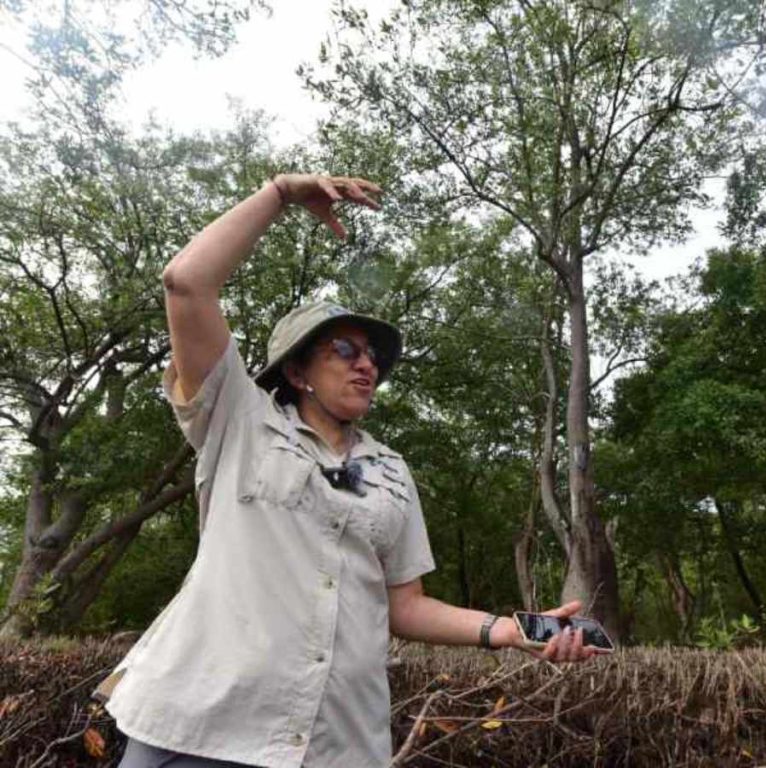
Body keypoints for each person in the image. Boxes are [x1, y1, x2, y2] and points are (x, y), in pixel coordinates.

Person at [96, 174, 595, 768]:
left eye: (373, 358)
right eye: (344, 351)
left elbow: (405, 606)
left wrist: (510, 630)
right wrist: (278, 194)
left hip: (336, 743)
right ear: (299, 371)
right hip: (202, 727)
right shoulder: (239, 420)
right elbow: (186, 284)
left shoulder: (390, 470)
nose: (367, 366)